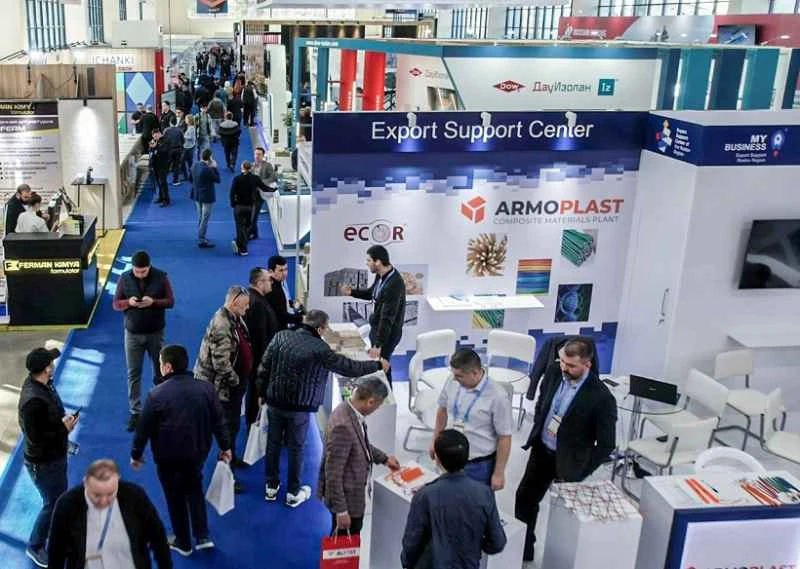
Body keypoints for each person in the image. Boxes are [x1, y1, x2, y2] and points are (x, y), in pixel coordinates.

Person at [257, 309, 390, 507]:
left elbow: (264, 366)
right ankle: (293, 492)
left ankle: (271, 486)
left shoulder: (280, 336)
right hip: (299, 407)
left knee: (273, 444)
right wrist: (377, 366)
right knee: (296, 448)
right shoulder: (320, 349)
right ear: (320, 329)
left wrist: (261, 393)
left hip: (274, 401)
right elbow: (348, 367)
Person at [514, 338, 617, 564]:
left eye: (571, 365)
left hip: (570, 462)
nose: (564, 368)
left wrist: (582, 470)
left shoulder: (601, 397)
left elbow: (606, 444)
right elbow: (542, 402)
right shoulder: (553, 371)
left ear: (587, 364)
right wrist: (538, 426)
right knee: (524, 499)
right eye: (562, 361)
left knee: (564, 515)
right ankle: (524, 548)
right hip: (542, 451)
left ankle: (560, 559)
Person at [132, 345, 231, 556]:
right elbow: (219, 421)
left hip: (168, 460)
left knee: (175, 499)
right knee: (195, 489)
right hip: (197, 454)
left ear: (167, 367)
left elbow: (143, 429)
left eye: (160, 364)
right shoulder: (206, 389)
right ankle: (202, 535)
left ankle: (183, 543)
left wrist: (136, 454)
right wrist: (225, 447)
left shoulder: (156, 395)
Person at [401, 430, 507, 569]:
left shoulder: (424, 496)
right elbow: (498, 542)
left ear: (437, 459)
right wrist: (475, 546)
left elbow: (412, 541)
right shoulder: (484, 493)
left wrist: (407, 564)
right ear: (467, 457)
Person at [48, 459, 172, 569]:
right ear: (86, 483)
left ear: (117, 481)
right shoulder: (67, 505)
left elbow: (158, 537)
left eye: (110, 494)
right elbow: (56, 551)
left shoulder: (135, 497)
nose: (103, 501)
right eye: (97, 495)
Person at [320, 377, 400, 536]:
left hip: (351, 497)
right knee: (345, 542)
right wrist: (341, 511)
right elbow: (333, 473)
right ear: (370, 402)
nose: (377, 409)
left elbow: (360, 444)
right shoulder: (343, 426)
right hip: (347, 502)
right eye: (378, 406)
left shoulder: (349, 411)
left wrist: (384, 458)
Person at [18, 347, 76, 568]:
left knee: (58, 497)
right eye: (51, 363)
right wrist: (64, 429)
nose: (53, 365)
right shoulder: (32, 402)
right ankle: (35, 545)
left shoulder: (43, 385)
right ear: (46, 369)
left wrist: (63, 422)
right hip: (44, 464)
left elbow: (48, 420)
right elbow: (36, 439)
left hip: (53, 457)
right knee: (52, 503)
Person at [193, 286, 252, 487]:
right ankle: (227, 474)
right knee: (226, 430)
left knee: (232, 427)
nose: (247, 308)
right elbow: (221, 364)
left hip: (229, 386)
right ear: (234, 303)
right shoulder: (222, 325)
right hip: (221, 389)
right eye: (245, 305)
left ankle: (231, 458)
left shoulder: (234, 317)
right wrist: (236, 381)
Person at [430, 349, 513, 489]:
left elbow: (505, 437)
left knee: (475, 500)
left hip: (478, 465)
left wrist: (499, 473)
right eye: (453, 374)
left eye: (459, 376)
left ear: (475, 372)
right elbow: (442, 410)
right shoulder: (452, 381)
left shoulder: (498, 396)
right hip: (449, 457)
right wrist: (435, 440)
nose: (454, 379)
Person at [112, 250, 176, 432]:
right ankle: (135, 411)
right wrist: (128, 303)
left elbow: (170, 301)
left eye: (144, 271)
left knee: (160, 372)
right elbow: (116, 303)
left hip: (155, 333)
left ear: (149, 267)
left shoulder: (162, 277)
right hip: (132, 334)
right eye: (137, 271)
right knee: (133, 373)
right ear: (132, 268)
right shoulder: (124, 278)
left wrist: (153, 302)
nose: (140, 274)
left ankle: (160, 408)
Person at [341, 244, 406, 385]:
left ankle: (387, 394)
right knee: (379, 364)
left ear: (378, 262)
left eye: (369, 260)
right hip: (377, 329)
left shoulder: (394, 285)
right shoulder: (381, 275)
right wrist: (352, 292)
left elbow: (387, 318)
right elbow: (372, 293)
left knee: (383, 365)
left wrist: (378, 344)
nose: (367, 263)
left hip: (387, 335)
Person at [244, 267, 278, 427]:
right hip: (259, 360)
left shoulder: (254, 298)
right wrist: (266, 363)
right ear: (259, 283)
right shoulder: (258, 304)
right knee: (256, 394)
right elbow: (260, 337)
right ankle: (254, 424)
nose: (271, 282)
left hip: (256, 360)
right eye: (268, 280)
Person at [229, 160, 273, 256]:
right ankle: (241, 245)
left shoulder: (237, 179)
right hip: (250, 207)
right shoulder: (255, 178)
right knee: (247, 226)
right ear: (250, 168)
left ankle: (242, 247)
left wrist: (233, 204)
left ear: (242, 167)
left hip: (239, 206)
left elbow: (232, 193)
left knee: (240, 227)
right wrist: (274, 190)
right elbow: (264, 188)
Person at [189, 148, 220, 249]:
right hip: (206, 196)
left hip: (197, 195)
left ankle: (200, 235)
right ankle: (201, 239)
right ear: (210, 157)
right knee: (205, 218)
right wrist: (214, 168)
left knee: (200, 216)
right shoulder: (207, 169)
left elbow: (190, 178)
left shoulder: (194, 165)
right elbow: (217, 179)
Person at [265, 255, 304, 330]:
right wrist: (302, 319)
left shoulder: (279, 281)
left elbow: (284, 300)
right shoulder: (272, 290)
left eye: (286, 269)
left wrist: (292, 304)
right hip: (280, 329)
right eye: (281, 270)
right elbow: (282, 316)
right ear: (271, 271)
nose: (285, 273)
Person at [251, 146, 276, 239]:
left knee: (254, 215)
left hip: (260, 194)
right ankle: (254, 233)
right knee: (251, 215)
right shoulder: (252, 165)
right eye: (255, 154)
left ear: (263, 155)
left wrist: (261, 182)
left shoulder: (267, 165)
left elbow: (273, 177)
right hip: (252, 193)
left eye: (259, 154)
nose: (257, 156)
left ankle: (251, 233)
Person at [149, 129, 172, 206]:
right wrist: (152, 147)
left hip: (163, 165)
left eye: (156, 136)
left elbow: (164, 151)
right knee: (159, 183)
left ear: (159, 134)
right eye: (153, 136)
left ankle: (166, 200)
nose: (155, 137)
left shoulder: (166, 141)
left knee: (163, 183)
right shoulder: (154, 141)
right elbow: (151, 151)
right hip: (155, 165)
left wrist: (156, 147)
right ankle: (161, 197)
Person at [162, 118, 185, 186]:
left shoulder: (166, 130)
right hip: (178, 150)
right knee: (176, 166)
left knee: (167, 165)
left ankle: (163, 180)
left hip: (169, 150)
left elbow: (163, 141)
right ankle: (175, 181)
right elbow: (183, 141)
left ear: (170, 122)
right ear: (176, 122)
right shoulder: (180, 130)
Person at [181, 114, 197, 183]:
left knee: (184, 162)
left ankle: (189, 176)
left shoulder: (191, 128)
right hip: (188, 147)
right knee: (189, 163)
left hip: (188, 148)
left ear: (189, 120)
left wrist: (183, 136)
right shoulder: (189, 127)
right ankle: (190, 177)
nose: (185, 120)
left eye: (186, 119)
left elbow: (191, 137)